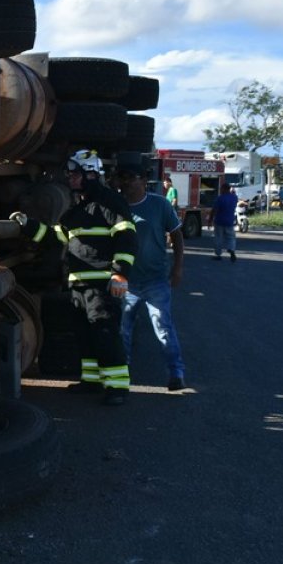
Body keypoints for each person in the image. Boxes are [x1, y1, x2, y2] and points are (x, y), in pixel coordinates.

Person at [17, 149, 138, 405]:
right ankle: (92, 381)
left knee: (105, 333)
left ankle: (118, 387)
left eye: (75, 174)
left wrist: (119, 275)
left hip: (102, 283)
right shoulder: (78, 208)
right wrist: (27, 225)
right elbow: (57, 237)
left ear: (91, 174)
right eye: (70, 174)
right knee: (85, 334)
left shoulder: (110, 203)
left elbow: (127, 238)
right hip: (79, 284)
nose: (70, 179)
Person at [115, 158, 188, 391]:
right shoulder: (116, 206)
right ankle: (122, 373)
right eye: (122, 178)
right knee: (122, 330)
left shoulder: (159, 205)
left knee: (163, 327)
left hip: (156, 280)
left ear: (144, 181)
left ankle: (176, 373)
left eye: (131, 178)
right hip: (126, 281)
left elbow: (177, 236)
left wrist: (177, 268)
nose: (125, 183)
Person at [212, 183, 238, 262]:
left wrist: (210, 219)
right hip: (230, 221)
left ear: (224, 189)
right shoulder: (234, 197)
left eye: (221, 188)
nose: (220, 190)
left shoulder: (220, 198)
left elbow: (215, 209)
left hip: (219, 220)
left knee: (218, 238)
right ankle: (231, 249)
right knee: (231, 237)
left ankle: (218, 254)